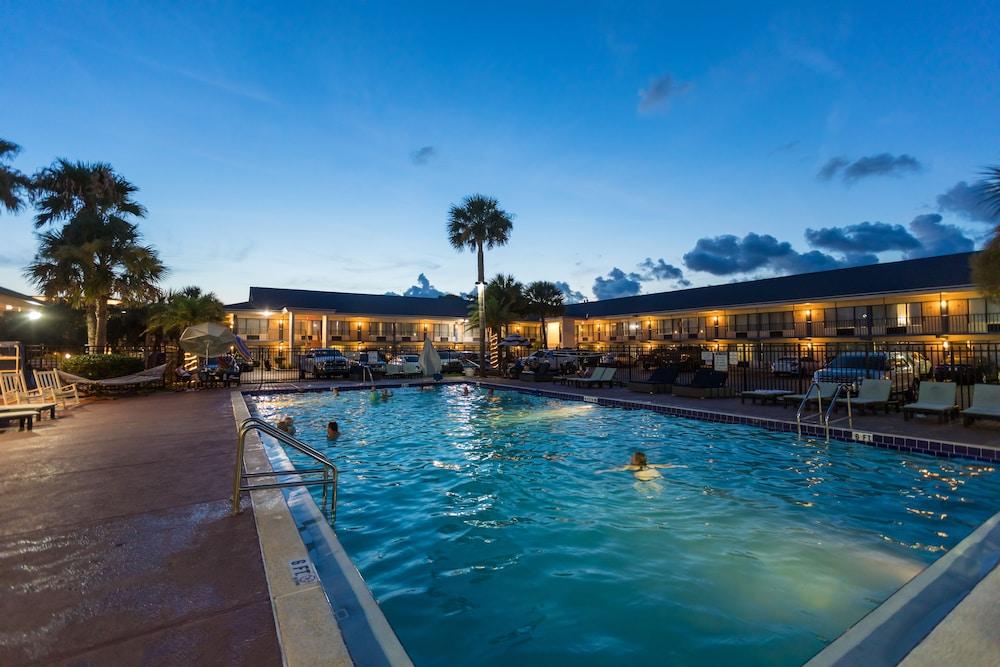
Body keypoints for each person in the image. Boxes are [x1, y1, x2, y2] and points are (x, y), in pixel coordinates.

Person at [597, 451, 685, 481]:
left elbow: (617, 469)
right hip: (655, 473)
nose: (630, 458)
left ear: (635, 461)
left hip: (642, 476)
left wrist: (603, 471)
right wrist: (680, 466)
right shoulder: (651, 465)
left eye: (632, 458)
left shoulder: (629, 467)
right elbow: (666, 466)